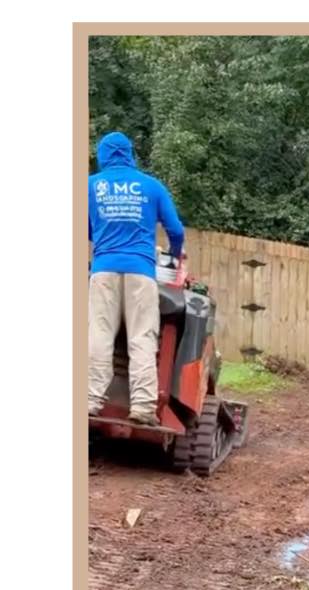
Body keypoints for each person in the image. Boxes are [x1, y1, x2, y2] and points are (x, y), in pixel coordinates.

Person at [88, 131, 185, 426]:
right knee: (142, 337)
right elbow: (176, 230)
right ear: (130, 154)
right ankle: (143, 407)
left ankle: (90, 400)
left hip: (103, 270)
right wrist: (175, 254)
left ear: (103, 155)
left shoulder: (90, 186)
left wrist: (100, 236)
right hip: (142, 273)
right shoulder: (151, 186)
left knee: (99, 335)